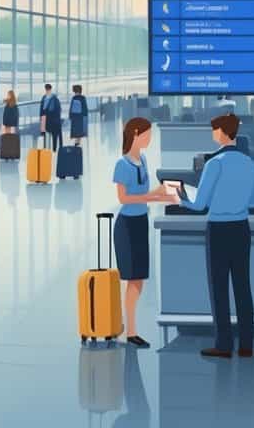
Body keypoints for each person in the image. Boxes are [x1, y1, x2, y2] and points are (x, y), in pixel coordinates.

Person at [181, 113, 254, 359]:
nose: (212, 133)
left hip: (218, 230)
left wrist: (181, 197)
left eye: (213, 129)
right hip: (241, 228)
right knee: (242, 286)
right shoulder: (248, 163)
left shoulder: (214, 164)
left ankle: (224, 345)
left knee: (219, 288)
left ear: (221, 132)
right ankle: (247, 345)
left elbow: (199, 205)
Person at [113, 117, 179, 348]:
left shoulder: (142, 159)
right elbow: (123, 198)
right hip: (127, 225)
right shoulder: (122, 164)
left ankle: (130, 330)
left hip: (141, 222)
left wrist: (163, 192)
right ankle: (128, 331)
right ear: (135, 134)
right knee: (131, 279)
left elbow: (144, 192)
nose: (150, 139)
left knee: (138, 279)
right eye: (147, 135)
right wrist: (153, 197)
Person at [39, 83, 62, 151]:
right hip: (49, 118)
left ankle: (51, 149)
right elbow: (58, 109)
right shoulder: (53, 98)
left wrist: (41, 117)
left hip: (48, 118)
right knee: (48, 134)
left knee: (49, 134)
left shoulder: (48, 98)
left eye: (47, 89)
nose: (47, 90)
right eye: (47, 89)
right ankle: (49, 149)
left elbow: (42, 109)